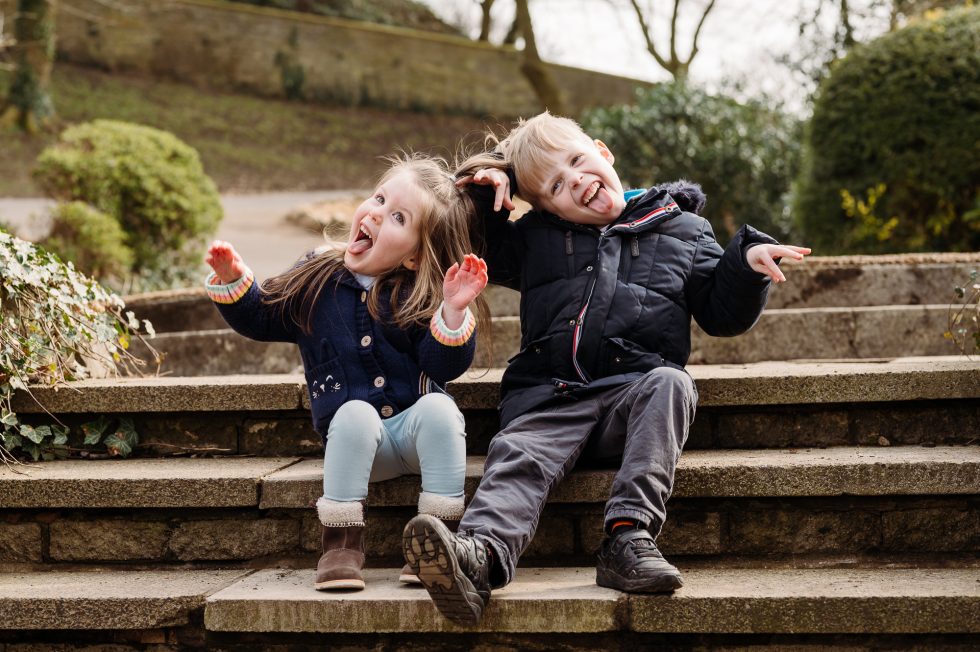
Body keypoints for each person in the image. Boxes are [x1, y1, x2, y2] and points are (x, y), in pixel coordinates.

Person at [402, 112, 811, 625]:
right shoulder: (536, 238)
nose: (575, 179)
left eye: (578, 161)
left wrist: (746, 265)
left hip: (631, 396)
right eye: (555, 185)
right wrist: (488, 193)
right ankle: (477, 557)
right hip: (549, 397)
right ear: (546, 207)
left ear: (603, 153)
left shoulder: (685, 229)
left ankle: (628, 538)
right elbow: (467, 236)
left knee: (672, 383)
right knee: (518, 457)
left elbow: (721, 313)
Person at [205, 154, 489, 591]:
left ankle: (439, 537)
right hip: (357, 448)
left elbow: (443, 365)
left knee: (440, 408)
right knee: (355, 412)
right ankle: (340, 544)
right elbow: (262, 318)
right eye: (378, 198)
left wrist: (453, 311)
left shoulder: (418, 294)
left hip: (414, 436)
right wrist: (235, 280)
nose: (375, 212)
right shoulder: (316, 277)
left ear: (414, 256)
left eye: (397, 216)